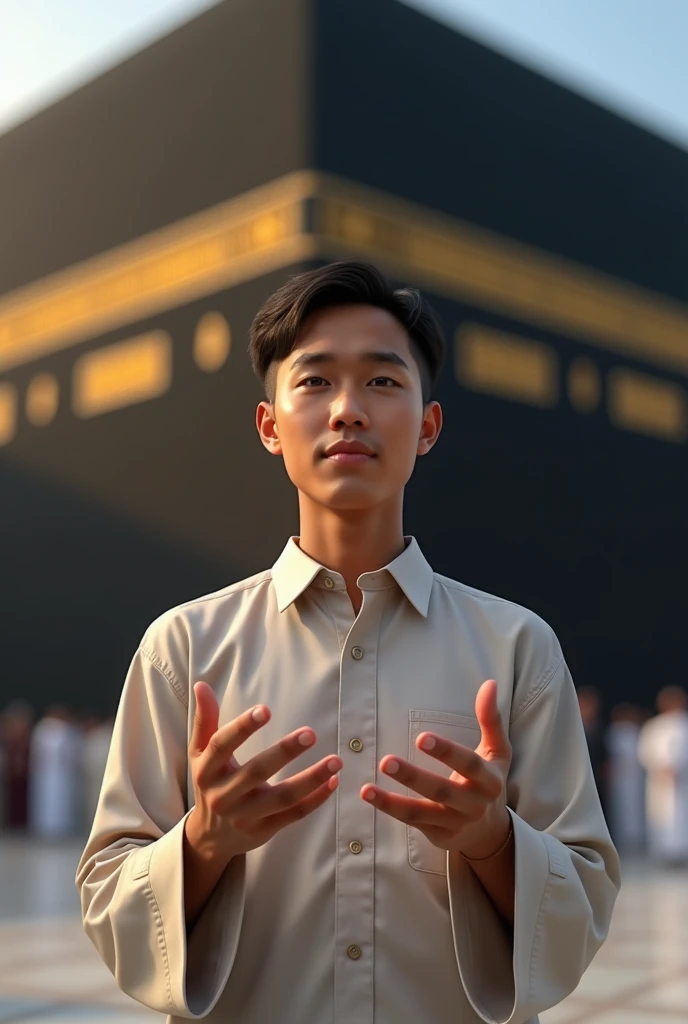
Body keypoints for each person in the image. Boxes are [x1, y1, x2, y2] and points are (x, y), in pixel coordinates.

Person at [76, 261, 620, 1024]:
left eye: (383, 382)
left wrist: (493, 842)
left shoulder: (517, 649)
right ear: (270, 425)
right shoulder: (184, 648)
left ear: (427, 427)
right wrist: (204, 842)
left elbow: (586, 900)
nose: (347, 411)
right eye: (315, 381)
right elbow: (105, 894)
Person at [638, 686, 688, 866]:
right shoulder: (655, 726)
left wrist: (678, 766)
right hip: (660, 780)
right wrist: (661, 767)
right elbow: (645, 751)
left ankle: (682, 851)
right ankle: (666, 852)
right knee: (662, 815)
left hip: (683, 779)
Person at [29, 705, 82, 839]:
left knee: (62, 800)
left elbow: (72, 751)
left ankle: (61, 826)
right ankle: (45, 826)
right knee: (45, 800)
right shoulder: (42, 728)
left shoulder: (66, 729)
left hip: (63, 774)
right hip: (45, 773)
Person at [605, 703, 645, 852]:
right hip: (620, 779)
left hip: (636, 778)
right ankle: (622, 838)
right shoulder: (614, 733)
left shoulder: (636, 732)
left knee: (636, 808)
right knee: (621, 808)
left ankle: (636, 837)